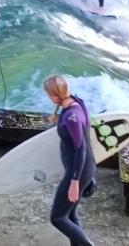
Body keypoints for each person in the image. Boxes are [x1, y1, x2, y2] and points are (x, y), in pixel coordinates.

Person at [44, 75, 96, 246]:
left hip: (77, 171)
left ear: (56, 95)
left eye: (49, 94)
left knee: (58, 218)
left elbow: (80, 149)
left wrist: (75, 181)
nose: (47, 97)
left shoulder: (72, 117)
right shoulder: (75, 102)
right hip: (83, 168)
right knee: (70, 215)